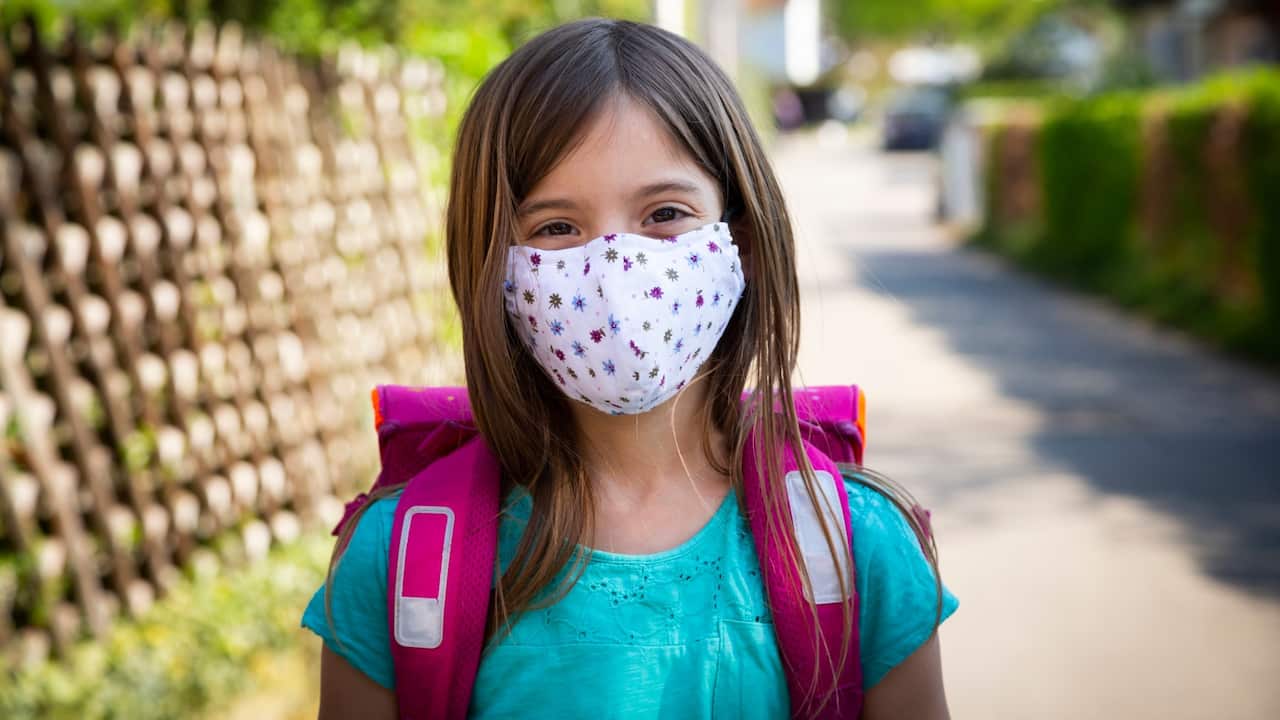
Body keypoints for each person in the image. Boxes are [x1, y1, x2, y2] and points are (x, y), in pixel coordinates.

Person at [302, 18, 958, 719]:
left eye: (665, 213)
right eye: (556, 228)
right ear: (492, 264)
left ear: (742, 235)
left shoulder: (858, 548)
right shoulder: (399, 566)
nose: (615, 270)